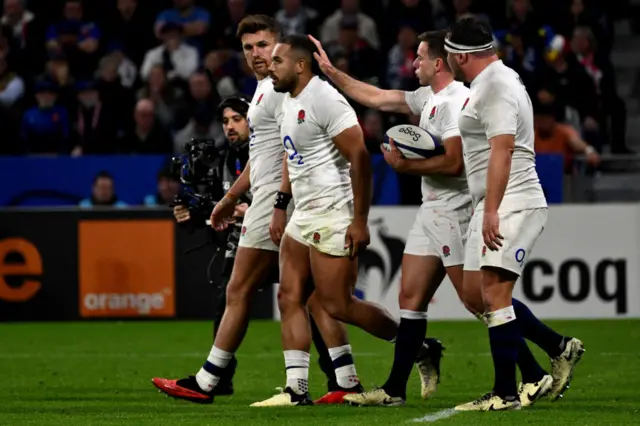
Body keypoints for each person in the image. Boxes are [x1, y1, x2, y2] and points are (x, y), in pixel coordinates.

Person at [153, 16, 359, 405]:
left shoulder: (282, 89)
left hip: (278, 200)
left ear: (280, 45)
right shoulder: (265, 88)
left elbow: (288, 151)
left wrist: (279, 202)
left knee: (241, 288)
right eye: (248, 48)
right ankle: (346, 381)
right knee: (311, 297)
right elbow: (263, 153)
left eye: (262, 45)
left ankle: (210, 379)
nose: (255, 54)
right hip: (273, 197)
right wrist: (230, 198)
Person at [309, 29, 469, 406]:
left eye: (419, 57)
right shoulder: (429, 97)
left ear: (438, 63)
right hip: (431, 208)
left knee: (478, 300)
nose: (412, 63)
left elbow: (454, 161)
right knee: (409, 298)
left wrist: (403, 166)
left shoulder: (455, 102)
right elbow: (377, 97)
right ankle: (395, 389)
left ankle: (545, 357)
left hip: (458, 209)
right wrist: (331, 72)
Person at [250, 34, 400, 407]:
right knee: (290, 295)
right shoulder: (286, 101)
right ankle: (295, 389)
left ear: (301, 65)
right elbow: (291, 155)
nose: (271, 66)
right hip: (303, 213)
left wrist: (360, 221)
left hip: (334, 211)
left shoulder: (326, 99)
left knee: (337, 304)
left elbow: (360, 158)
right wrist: (282, 205)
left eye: (278, 60)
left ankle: (415, 344)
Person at [444, 17, 585, 411]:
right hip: (491, 204)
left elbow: (503, 148)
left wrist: (491, 210)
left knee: (494, 295)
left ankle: (505, 392)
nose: (448, 59)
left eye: (451, 53)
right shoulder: (489, 81)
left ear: (462, 55)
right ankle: (557, 347)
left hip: (512, 200)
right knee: (476, 295)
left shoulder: (496, 86)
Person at [152, 96, 252, 397]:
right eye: (225, 121)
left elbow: (251, 207)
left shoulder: (266, 150)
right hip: (246, 241)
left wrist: (222, 208)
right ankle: (218, 377)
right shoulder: (224, 159)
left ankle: (339, 376)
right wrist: (191, 214)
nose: (230, 126)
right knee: (229, 297)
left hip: (280, 234)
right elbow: (215, 213)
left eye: (237, 119)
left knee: (312, 302)